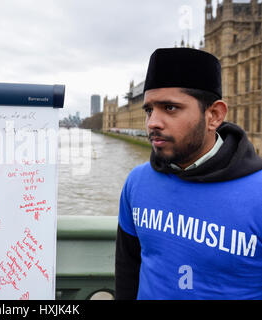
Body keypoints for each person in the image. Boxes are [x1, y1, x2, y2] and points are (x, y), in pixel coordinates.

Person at [115, 47, 262, 300]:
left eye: (170, 108)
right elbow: (128, 270)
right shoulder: (136, 182)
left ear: (214, 115)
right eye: (149, 110)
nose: (152, 123)